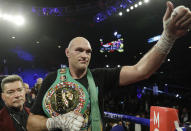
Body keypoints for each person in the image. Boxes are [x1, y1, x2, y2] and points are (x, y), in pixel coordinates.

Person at [27, 1, 191, 131]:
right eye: (79, 50)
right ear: (67, 52)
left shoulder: (99, 76)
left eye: (88, 52)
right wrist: (54, 123)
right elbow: (31, 122)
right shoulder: (51, 78)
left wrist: (167, 38)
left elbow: (141, 71)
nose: (85, 55)